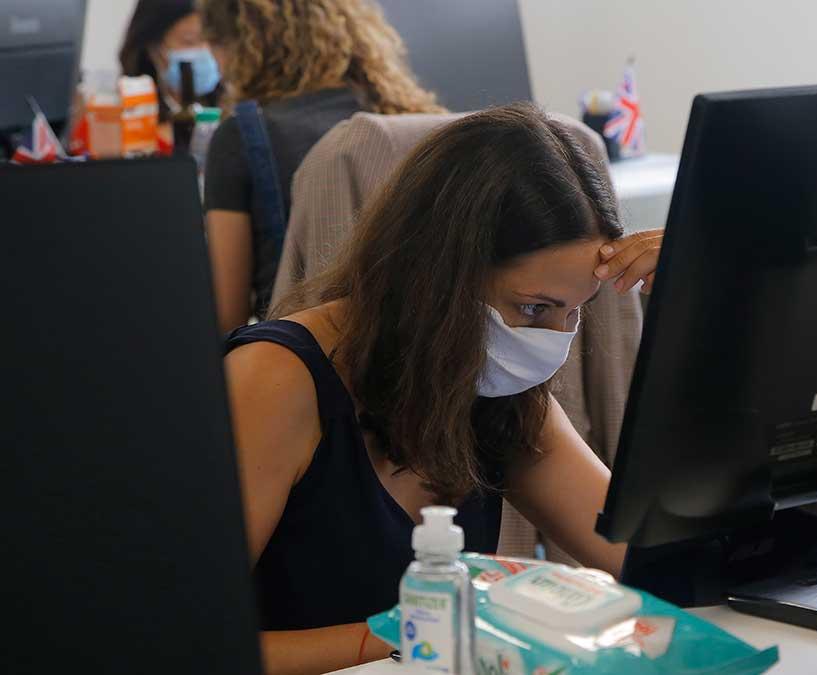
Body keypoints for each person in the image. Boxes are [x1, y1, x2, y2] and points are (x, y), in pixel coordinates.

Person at [225, 103, 662, 674]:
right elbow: (179, 643)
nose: (550, 341)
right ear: (438, 275)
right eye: (532, 308)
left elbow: (654, 560)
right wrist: (423, 633)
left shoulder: (497, 392)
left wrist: (702, 301)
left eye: (572, 314)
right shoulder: (275, 379)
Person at [200, 0, 444, 333]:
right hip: (424, 346)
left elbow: (226, 317)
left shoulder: (242, 137)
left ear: (235, 46)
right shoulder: (408, 117)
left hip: (307, 361)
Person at [118, 0, 223, 128]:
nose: (205, 50)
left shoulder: (233, 111)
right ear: (154, 49)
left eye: (212, 40)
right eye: (189, 41)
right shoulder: (126, 116)